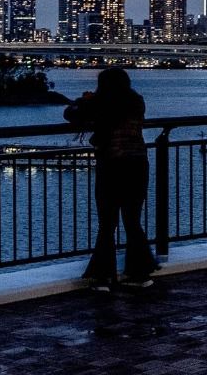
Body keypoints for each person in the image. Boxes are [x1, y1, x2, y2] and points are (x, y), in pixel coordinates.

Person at [64, 67, 159, 291]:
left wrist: (84, 99)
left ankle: (103, 276)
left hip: (112, 165)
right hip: (138, 164)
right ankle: (139, 273)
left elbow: (70, 114)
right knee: (132, 220)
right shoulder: (136, 101)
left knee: (107, 223)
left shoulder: (99, 102)